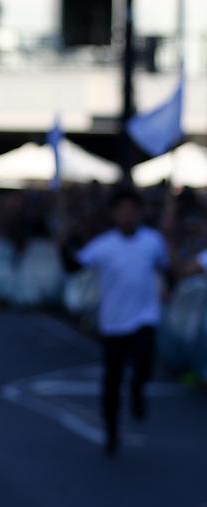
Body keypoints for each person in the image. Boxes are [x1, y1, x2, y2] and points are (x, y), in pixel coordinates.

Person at [73, 187, 171, 456]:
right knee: (112, 380)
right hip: (114, 322)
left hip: (144, 317)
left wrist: (167, 288)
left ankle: (138, 390)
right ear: (114, 214)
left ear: (139, 213)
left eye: (132, 209)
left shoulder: (152, 241)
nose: (127, 215)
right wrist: (64, 240)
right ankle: (111, 431)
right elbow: (74, 265)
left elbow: (167, 267)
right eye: (122, 210)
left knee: (143, 364)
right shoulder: (103, 245)